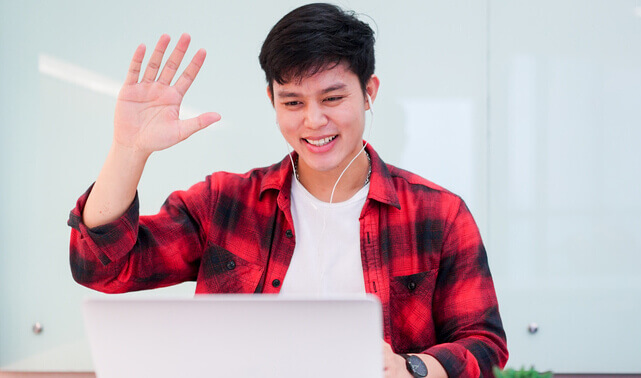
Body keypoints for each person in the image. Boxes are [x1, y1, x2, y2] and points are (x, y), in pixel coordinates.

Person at [67, 3, 508, 377]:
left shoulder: (439, 214)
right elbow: (101, 268)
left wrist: (410, 367)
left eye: (332, 98)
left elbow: (484, 345)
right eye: (293, 102)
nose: (313, 121)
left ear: (369, 92)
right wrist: (129, 150)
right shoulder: (225, 204)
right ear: (272, 101)